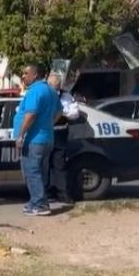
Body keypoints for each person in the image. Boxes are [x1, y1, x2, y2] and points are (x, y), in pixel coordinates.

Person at [13, 64, 59, 216]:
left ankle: (40, 204)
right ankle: (35, 201)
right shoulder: (51, 91)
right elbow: (60, 111)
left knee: (32, 171)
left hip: (34, 139)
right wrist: (48, 124)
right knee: (41, 171)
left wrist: (20, 135)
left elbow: (30, 115)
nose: (23, 76)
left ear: (35, 75)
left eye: (26, 73)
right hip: (47, 138)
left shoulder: (35, 91)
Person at [47, 73, 79, 204]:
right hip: (45, 134)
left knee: (59, 165)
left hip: (59, 134)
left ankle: (62, 193)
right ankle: (47, 192)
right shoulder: (43, 95)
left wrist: (61, 112)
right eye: (52, 86)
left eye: (57, 86)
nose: (56, 89)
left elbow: (75, 113)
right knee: (45, 165)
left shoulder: (66, 96)